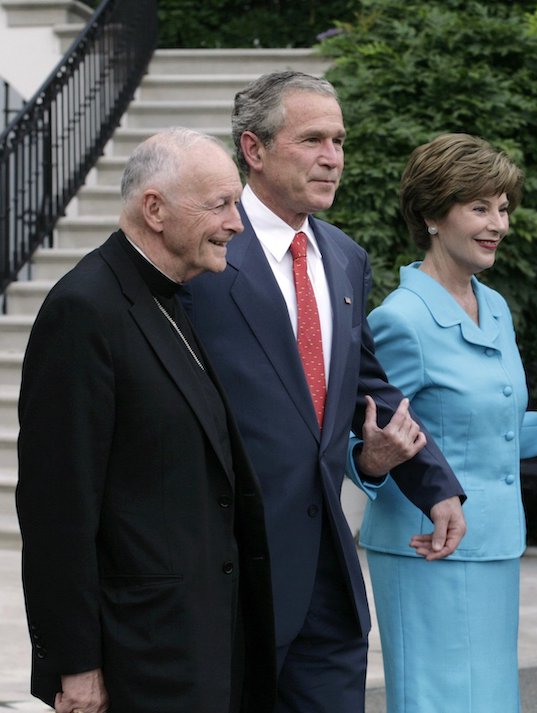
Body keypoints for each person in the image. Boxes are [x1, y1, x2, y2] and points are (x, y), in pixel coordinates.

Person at [182, 71, 467, 713]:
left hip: (326, 569)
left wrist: (434, 483)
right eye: (312, 139)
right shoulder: (203, 250)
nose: (333, 157)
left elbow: (367, 381)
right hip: (234, 568)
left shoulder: (343, 256)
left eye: (339, 140)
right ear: (253, 150)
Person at [16, 128, 275, 713]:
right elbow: (57, 509)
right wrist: (76, 665)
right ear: (154, 209)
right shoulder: (84, 310)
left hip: (200, 644)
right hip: (140, 659)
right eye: (220, 205)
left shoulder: (173, 298)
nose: (237, 223)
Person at [354, 133, 537, 712]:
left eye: (503, 207)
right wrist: (371, 466)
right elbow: (365, 439)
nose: (497, 223)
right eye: (479, 206)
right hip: (426, 546)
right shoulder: (400, 319)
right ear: (431, 214)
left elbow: (496, 433)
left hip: (495, 542)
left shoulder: (495, 305)